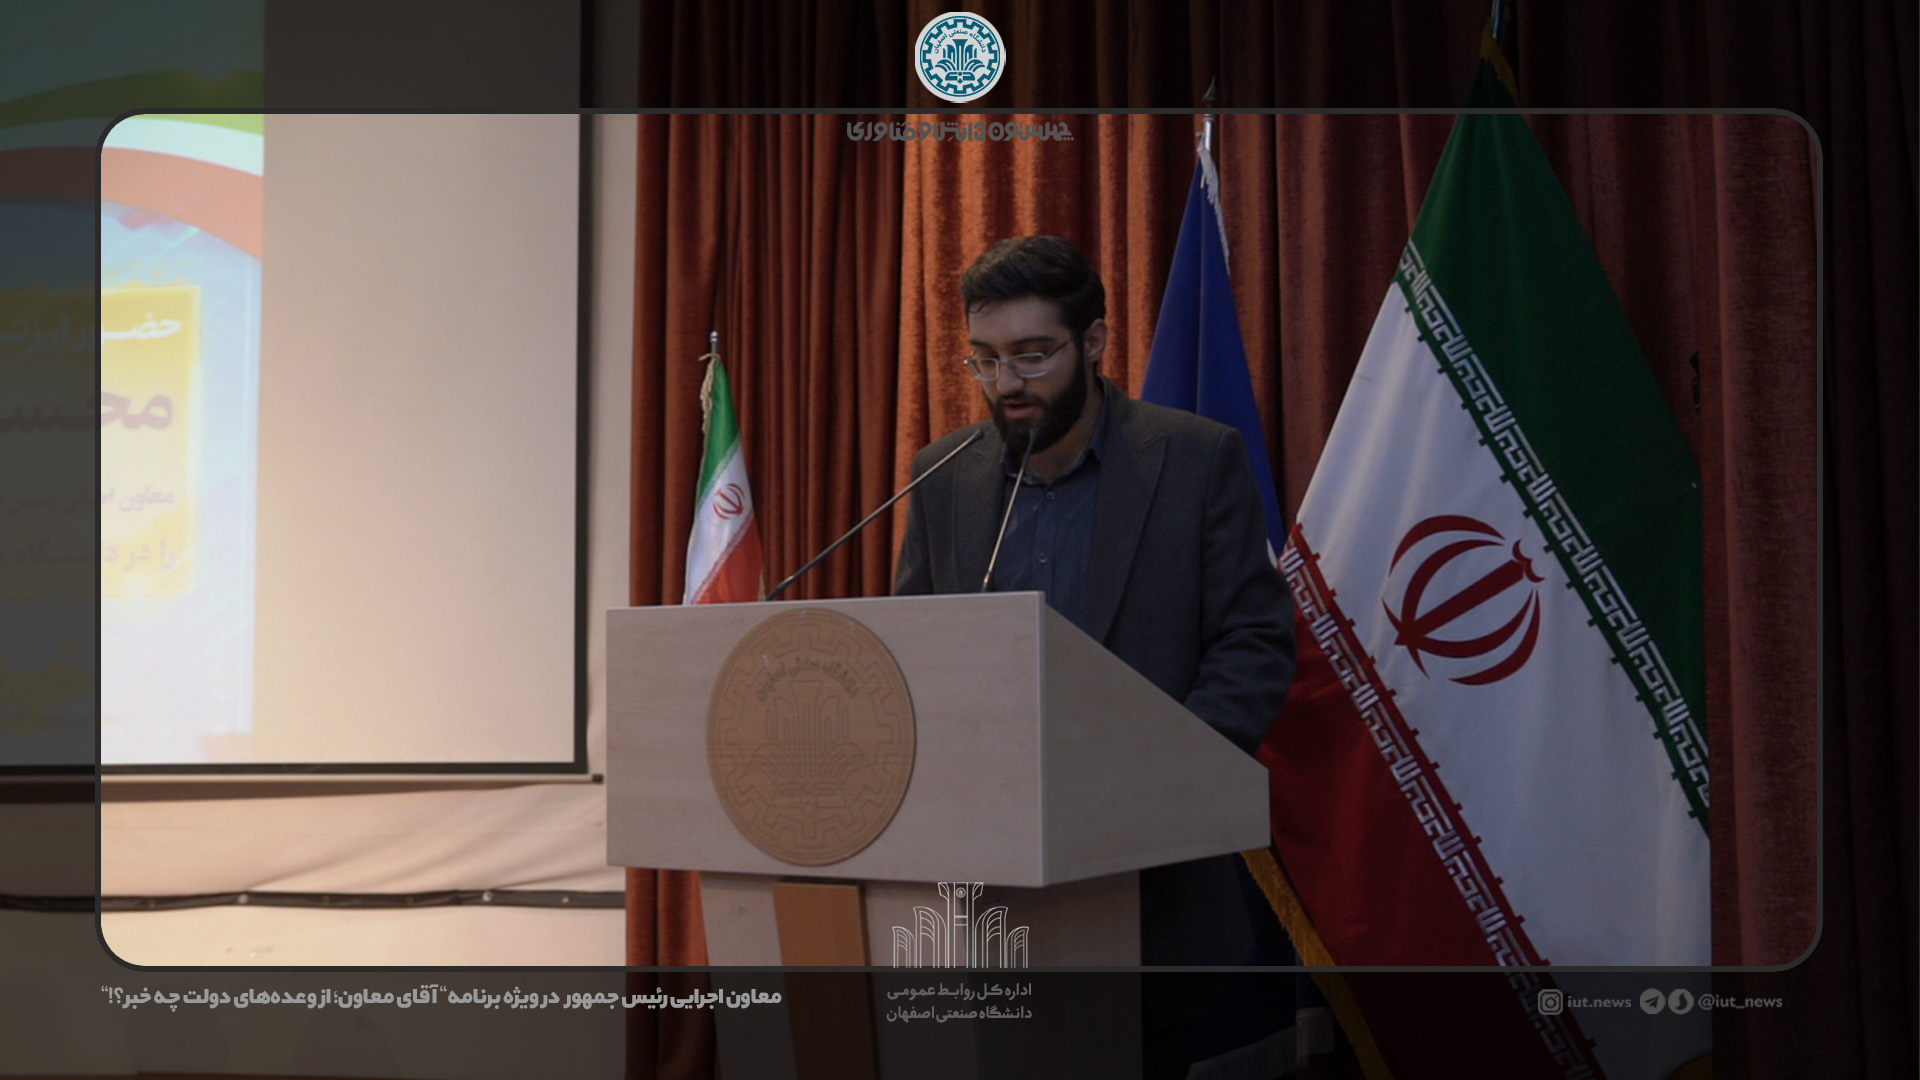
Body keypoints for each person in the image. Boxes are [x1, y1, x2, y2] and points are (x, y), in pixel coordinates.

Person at [893, 235, 1297, 965]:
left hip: (1156, 877)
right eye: (985, 359)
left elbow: (1254, 641)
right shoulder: (943, 475)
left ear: (1094, 342)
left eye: (1032, 355)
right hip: (986, 886)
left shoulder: (1196, 459)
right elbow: (916, 652)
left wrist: (1158, 780)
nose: (1006, 382)